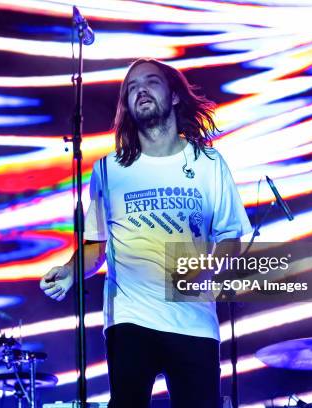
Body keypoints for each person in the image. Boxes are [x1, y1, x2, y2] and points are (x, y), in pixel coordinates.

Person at [40, 58, 252, 407]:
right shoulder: (109, 171)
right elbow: (95, 246)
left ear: (173, 96)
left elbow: (229, 234)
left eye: (150, 82)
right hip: (130, 319)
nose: (140, 90)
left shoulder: (209, 164)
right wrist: (70, 271)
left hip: (193, 319)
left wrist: (215, 270)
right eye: (132, 88)